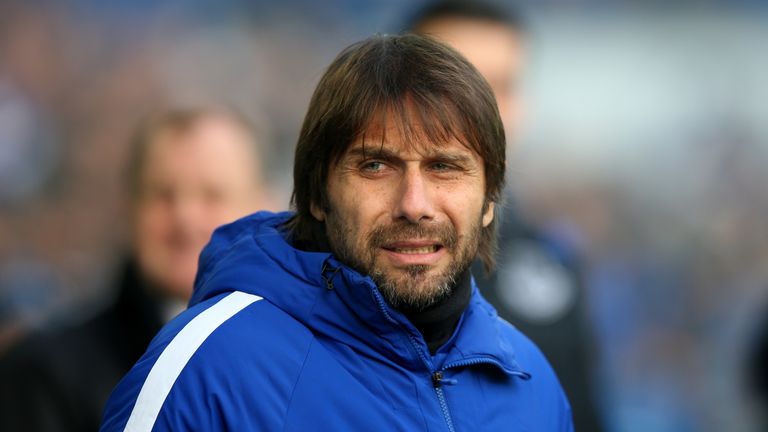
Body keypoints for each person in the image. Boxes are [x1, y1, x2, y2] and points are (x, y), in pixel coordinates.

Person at [100, 34, 573, 431]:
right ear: (317, 195)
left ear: (490, 197)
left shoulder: (534, 385)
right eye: (375, 166)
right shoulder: (208, 370)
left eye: (444, 167)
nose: (414, 204)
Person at [0, 107, 273, 432]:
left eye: (211, 195)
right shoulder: (42, 375)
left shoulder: (307, 365)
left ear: (265, 209)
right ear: (128, 207)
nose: (185, 217)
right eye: (162, 195)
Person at [409, 2, 604, 430]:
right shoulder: (338, 257)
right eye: (455, 81)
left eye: (501, 85)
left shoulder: (551, 263)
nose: (481, 106)